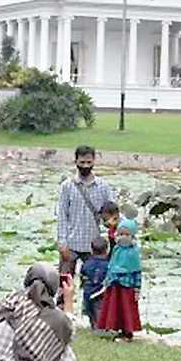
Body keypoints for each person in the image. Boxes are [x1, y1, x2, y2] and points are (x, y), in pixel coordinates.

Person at [55, 146, 115, 277]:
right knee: (64, 284)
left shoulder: (103, 187)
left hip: (95, 247)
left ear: (94, 161)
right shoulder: (67, 186)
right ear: (75, 161)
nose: (85, 166)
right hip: (71, 244)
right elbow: (62, 216)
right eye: (82, 162)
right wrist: (62, 243)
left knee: (94, 286)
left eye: (89, 162)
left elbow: (112, 214)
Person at [94, 217, 142, 342]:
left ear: (132, 235)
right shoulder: (116, 249)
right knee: (114, 308)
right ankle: (117, 329)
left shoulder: (134, 252)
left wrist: (137, 289)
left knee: (127, 309)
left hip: (127, 287)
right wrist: (107, 280)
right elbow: (111, 266)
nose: (123, 237)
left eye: (127, 234)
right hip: (114, 285)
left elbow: (137, 272)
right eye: (121, 234)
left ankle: (128, 333)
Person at [79, 236, 110, 331]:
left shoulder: (86, 264)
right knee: (100, 309)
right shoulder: (108, 265)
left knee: (90, 310)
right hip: (101, 292)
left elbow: (82, 276)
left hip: (88, 291)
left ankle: (94, 325)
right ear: (107, 250)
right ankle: (100, 328)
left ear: (91, 250)